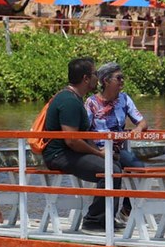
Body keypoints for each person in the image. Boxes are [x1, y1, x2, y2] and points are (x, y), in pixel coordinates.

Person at [42, 57, 124, 232]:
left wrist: (100, 151)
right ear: (86, 78)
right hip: (59, 155)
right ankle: (93, 221)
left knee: (116, 165)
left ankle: (107, 218)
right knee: (111, 171)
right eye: (95, 74)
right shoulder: (69, 101)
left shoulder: (75, 98)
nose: (98, 78)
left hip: (70, 152)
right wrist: (99, 153)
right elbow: (71, 140)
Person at [85, 62, 149, 220]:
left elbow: (142, 122)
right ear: (106, 81)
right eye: (119, 78)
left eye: (123, 78)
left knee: (139, 169)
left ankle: (126, 210)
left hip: (118, 151)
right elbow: (83, 131)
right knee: (115, 171)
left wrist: (138, 129)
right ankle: (105, 217)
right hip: (98, 151)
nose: (122, 81)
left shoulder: (124, 99)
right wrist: (97, 151)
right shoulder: (91, 103)